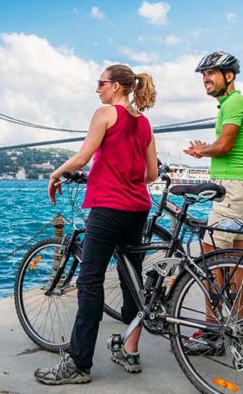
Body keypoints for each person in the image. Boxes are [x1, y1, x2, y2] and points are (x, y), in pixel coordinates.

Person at [34, 64, 158, 385]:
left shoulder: (104, 113)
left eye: (100, 83)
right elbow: (151, 174)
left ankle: (78, 363)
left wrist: (55, 173)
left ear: (116, 86)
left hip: (108, 208)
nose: (97, 88)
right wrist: (122, 176)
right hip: (137, 208)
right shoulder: (144, 124)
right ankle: (130, 351)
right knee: (132, 279)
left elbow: (83, 156)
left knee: (90, 282)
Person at [183, 51, 243, 354]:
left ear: (229, 76)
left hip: (232, 191)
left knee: (210, 257)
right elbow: (226, 145)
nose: (206, 79)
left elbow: (226, 144)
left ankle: (212, 332)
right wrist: (208, 149)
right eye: (203, 75)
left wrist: (204, 151)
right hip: (239, 189)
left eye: (211, 73)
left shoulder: (235, 103)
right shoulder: (230, 105)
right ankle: (238, 326)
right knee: (237, 261)